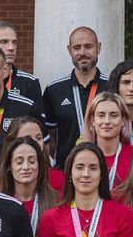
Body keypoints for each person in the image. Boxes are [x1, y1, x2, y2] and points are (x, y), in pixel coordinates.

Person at [42, 26, 110, 167]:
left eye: (88, 47)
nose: (82, 53)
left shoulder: (112, 87)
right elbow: (50, 135)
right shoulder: (54, 90)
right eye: (77, 47)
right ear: (69, 50)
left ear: (98, 48)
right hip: (64, 171)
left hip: (106, 170)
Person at [0, 20, 44, 108]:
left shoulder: (29, 83)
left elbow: (37, 120)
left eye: (14, 42)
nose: (11, 48)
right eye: (4, 42)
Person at [84, 92, 133, 187]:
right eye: (101, 115)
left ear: (123, 120)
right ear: (92, 120)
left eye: (113, 115)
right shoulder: (80, 157)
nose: (107, 121)